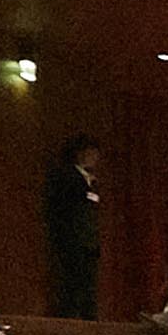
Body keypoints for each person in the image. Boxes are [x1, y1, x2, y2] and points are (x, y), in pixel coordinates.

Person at [44, 134, 105, 318]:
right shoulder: (67, 175)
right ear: (81, 154)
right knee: (71, 282)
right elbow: (63, 208)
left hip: (88, 241)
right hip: (71, 239)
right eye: (91, 153)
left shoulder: (90, 180)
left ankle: (88, 317)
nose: (95, 158)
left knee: (88, 283)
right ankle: (69, 317)